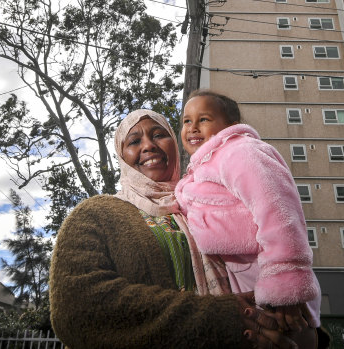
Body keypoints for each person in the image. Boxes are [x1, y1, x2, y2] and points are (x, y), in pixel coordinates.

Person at [49, 109, 299, 348]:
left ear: (175, 145)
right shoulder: (96, 214)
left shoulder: (211, 204)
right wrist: (220, 318)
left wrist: (287, 323)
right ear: (121, 157)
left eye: (159, 134)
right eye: (134, 141)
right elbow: (76, 308)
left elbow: (261, 258)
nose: (148, 145)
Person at [175, 90, 325, 344]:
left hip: (267, 273)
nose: (193, 127)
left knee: (289, 334)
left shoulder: (240, 151)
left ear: (231, 126)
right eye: (187, 121)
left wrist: (285, 286)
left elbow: (278, 212)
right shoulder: (199, 171)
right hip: (237, 279)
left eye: (204, 119)